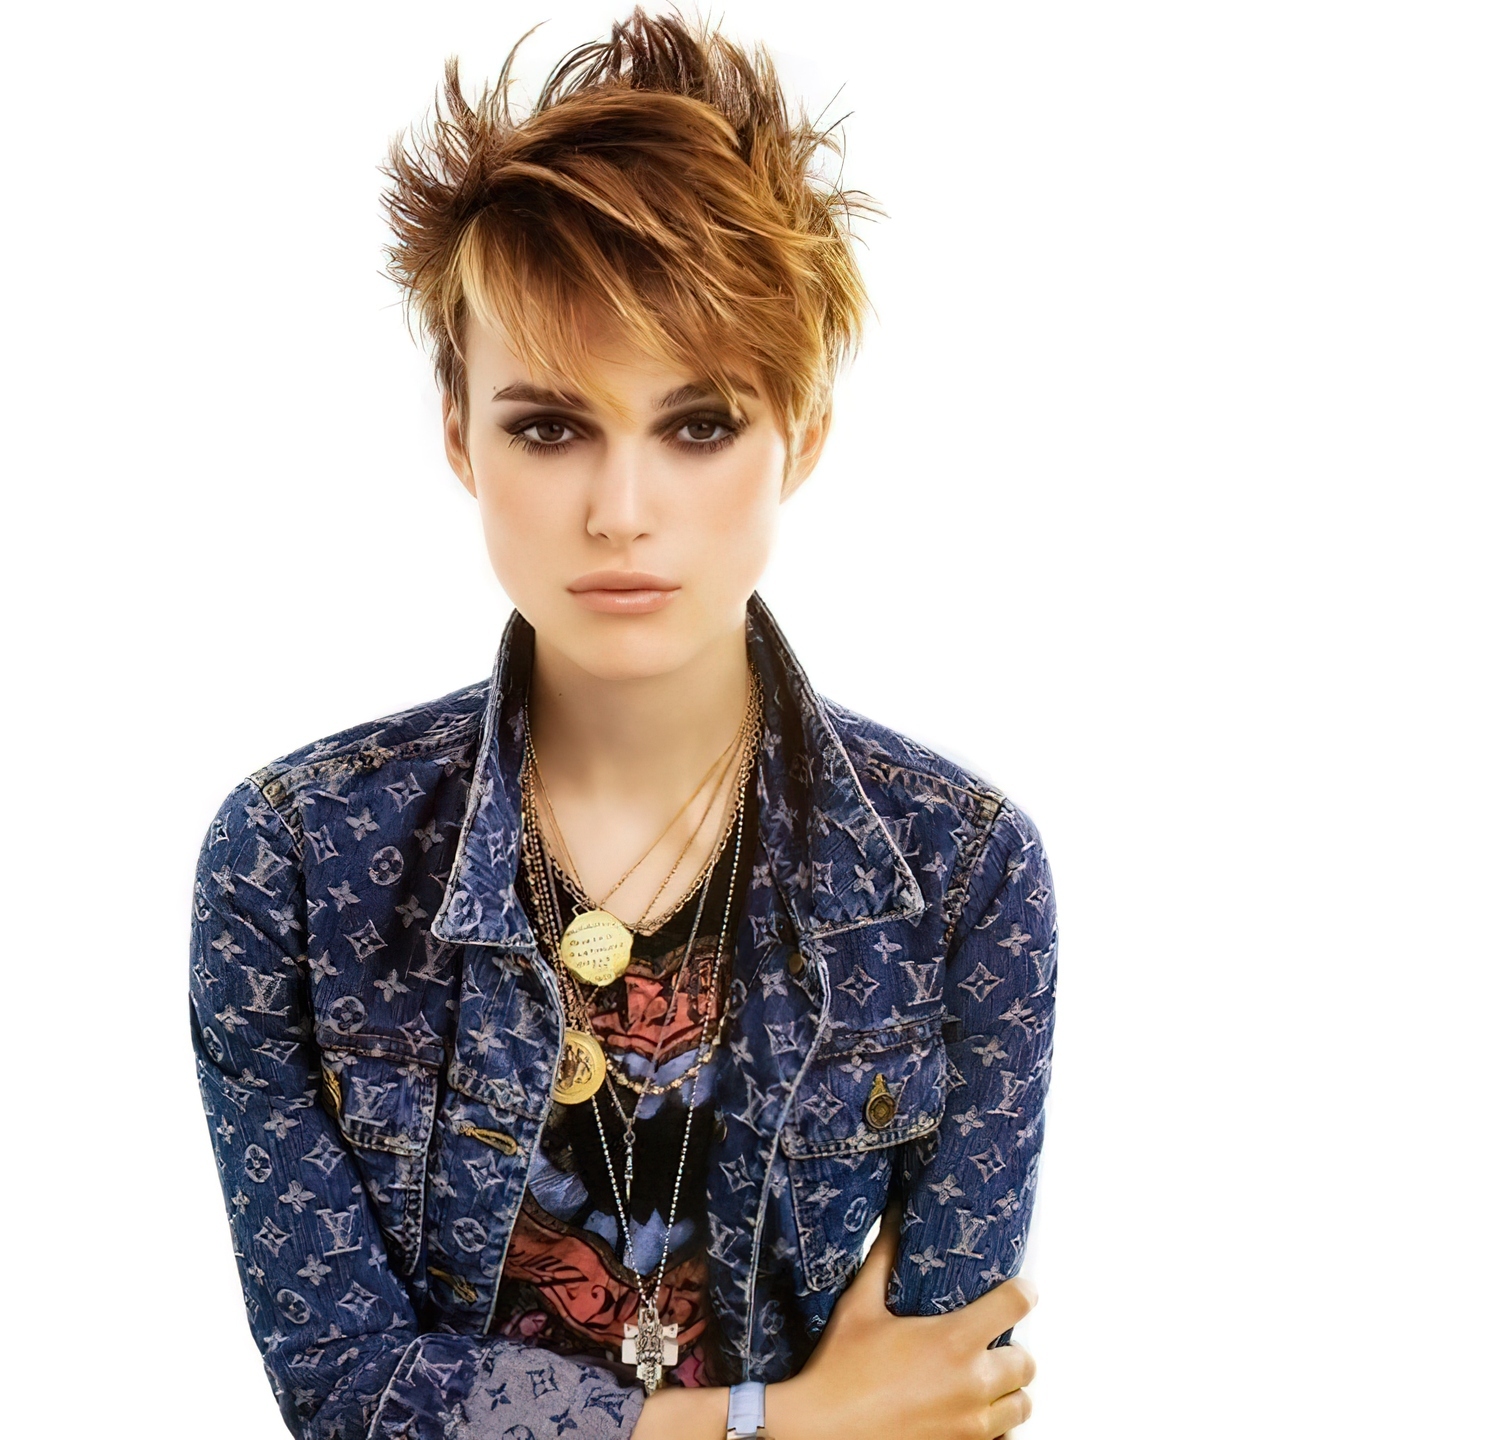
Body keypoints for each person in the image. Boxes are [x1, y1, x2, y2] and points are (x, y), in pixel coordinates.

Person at [188, 11, 1057, 1439]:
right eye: (550, 426)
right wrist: (776, 1424)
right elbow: (346, 1389)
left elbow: (935, 1396)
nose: (622, 511)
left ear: (803, 432)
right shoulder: (298, 862)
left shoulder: (956, 875)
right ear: (459, 432)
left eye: (699, 424)